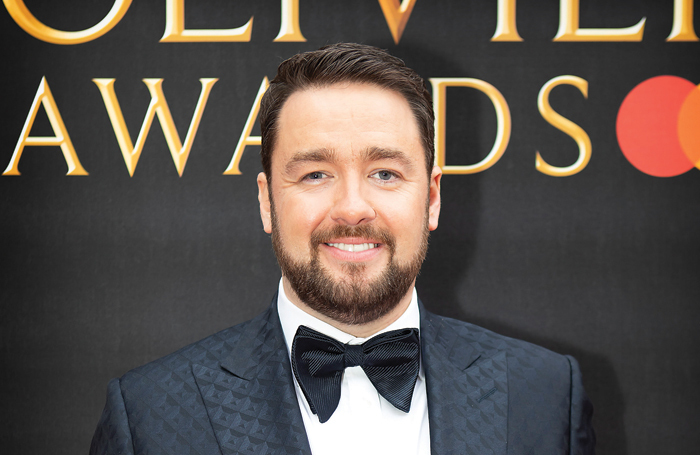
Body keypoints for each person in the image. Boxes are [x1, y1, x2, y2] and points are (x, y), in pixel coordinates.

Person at [90, 43, 595, 455]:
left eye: (384, 173)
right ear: (267, 201)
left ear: (433, 198)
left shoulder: (546, 393)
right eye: (315, 174)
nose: (352, 208)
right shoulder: (151, 415)